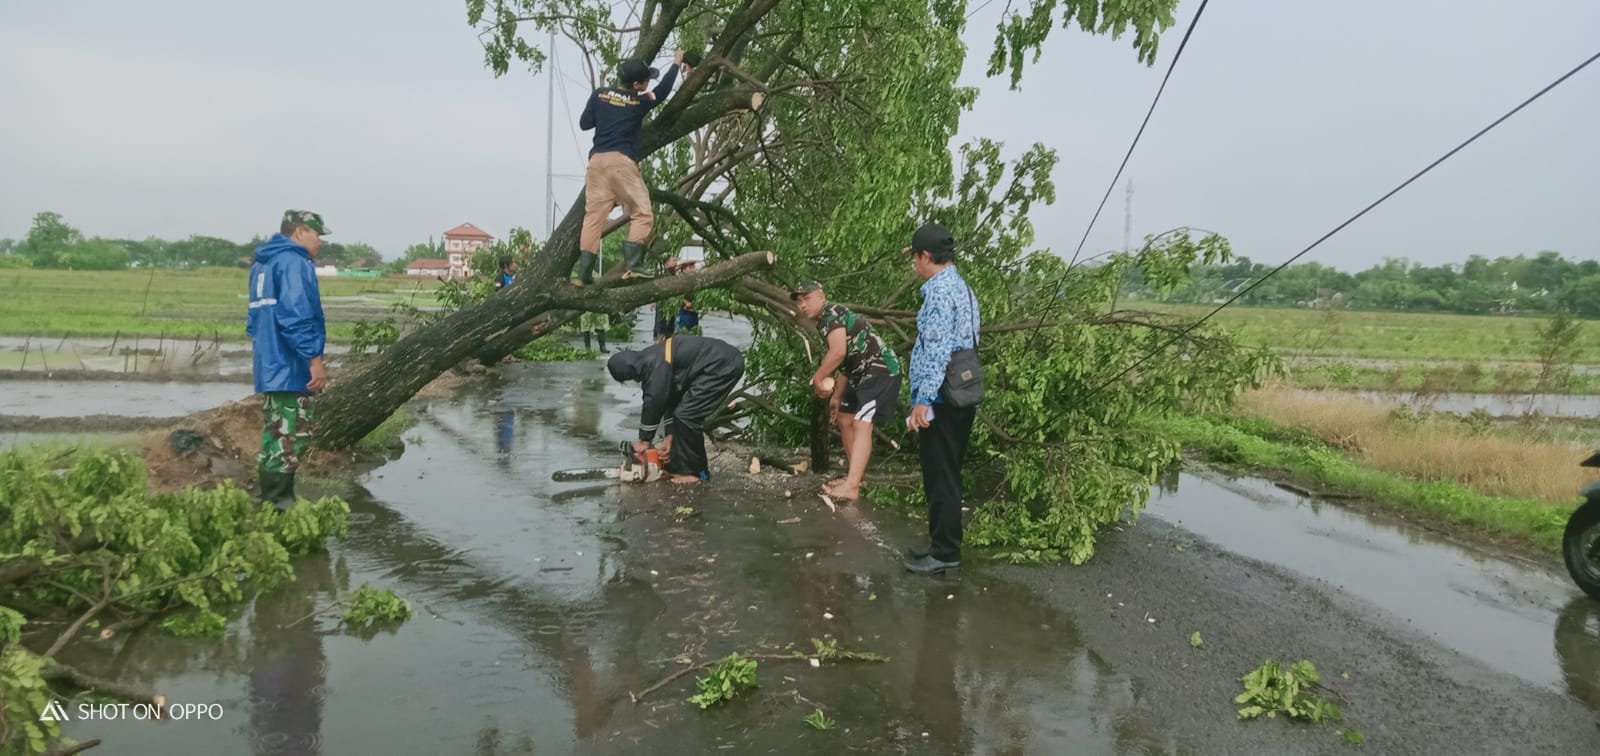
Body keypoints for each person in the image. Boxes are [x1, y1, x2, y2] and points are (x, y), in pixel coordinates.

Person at [572, 49, 693, 284]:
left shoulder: (600, 94)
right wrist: (677, 64)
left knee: (593, 218)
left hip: (596, 164)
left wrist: (606, 113)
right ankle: (633, 263)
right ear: (637, 84)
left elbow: (585, 123)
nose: (649, 84)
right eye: (646, 80)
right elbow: (663, 91)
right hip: (621, 162)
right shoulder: (639, 101)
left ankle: (583, 274)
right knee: (643, 213)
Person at [901, 223, 980, 574]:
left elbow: (936, 350)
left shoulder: (937, 292)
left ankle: (946, 553)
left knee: (941, 474)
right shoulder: (962, 288)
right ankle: (940, 543)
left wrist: (923, 401)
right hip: (962, 394)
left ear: (926, 257)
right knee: (947, 471)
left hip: (943, 399)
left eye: (915, 257)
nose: (913, 264)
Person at [247, 210, 331, 511]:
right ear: (300, 231)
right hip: (290, 366)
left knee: (275, 433)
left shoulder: (262, 264)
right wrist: (314, 360)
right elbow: (297, 315)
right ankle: (280, 505)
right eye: (317, 234)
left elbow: (253, 321)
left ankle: (267, 502)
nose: (320, 241)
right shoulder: (294, 262)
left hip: (270, 364)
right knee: (290, 434)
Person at [789, 281, 902, 501]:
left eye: (807, 298)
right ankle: (856, 478)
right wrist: (837, 396)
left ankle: (852, 487)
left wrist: (818, 377)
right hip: (858, 373)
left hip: (881, 370)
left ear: (821, 296)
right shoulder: (824, 322)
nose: (802, 305)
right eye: (799, 301)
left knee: (862, 422)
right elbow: (845, 362)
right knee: (844, 417)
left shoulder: (833, 313)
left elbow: (838, 352)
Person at [606, 335, 744, 484]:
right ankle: (682, 466)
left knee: (687, 416)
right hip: (720, 363)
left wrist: (645, 440)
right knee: (683, 412)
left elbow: (654, 402)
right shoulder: (650, 358)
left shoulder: (653, 364)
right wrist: (669, 435)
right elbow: (671, 399)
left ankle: (697, 473)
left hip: (722, 366)